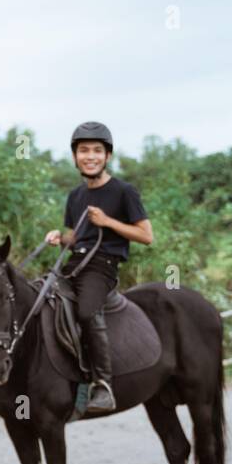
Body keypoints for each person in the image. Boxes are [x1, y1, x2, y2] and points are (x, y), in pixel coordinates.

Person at [43, 122, 152, 416]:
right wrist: (59, 238)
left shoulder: (123, 192)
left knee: (87, 311)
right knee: (40, 301)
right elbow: (76, 237)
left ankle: (102, 383)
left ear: (107, 156)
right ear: (75, 156)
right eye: (83, 151)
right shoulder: (75, 196)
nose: (90, 156)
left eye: (96, 151)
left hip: (102, 265)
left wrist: (108, 222)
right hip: (75, 262)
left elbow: (146, 235)